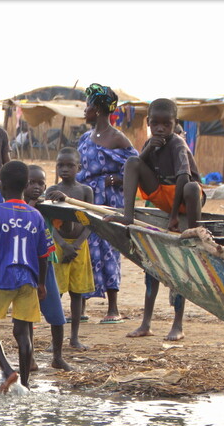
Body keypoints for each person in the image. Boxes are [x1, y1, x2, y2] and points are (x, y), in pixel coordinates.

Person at [105, 98, 205, 341]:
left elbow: (183, 180)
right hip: (162, 194)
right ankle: (146, 324)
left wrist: (173, 218)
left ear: (175, 124)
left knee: (192, 188)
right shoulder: (152, 142)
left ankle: (177, 325)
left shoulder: (178, 144)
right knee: (132, 162)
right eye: (155, 124)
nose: (160, 129)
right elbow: (139, 164)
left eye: (166, 125)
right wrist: (150, 148)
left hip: (184, 200)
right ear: (148, 123)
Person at [0, 160, 55, 393]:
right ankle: (26, 385)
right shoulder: (36, 216)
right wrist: (41, 282)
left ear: (1, 185)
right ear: (24, 185)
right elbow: (44, 255)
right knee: (23, 332)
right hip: (28, 279)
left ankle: (8, 370)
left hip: (2, 277)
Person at [75, 83, 138, 324]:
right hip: (86, 200)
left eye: (89, 105)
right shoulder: (84, 137)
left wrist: (119, 178)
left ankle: (113, 308)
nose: (85, 109)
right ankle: (80, 305)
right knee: (85, 249)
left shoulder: (118, 138)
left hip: (107, 203)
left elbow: (137, 168)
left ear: (99, 110)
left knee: (109, 250)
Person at [45, 148, 96, 351]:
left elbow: (91, 222)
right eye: (60, 165)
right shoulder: (52, 191)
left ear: (79, 168)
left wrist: (75, 245)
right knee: (56, 293)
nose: (64, 169)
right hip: (59, 246)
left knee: (77, 294)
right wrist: (64, 245)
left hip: (79, 246)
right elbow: (48, 224)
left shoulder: (85, 191)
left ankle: (74, 338)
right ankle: (54, 339)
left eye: (70, 165)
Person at [24, 165, 72, 370]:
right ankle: (29, 358)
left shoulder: (48, 207)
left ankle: (58, 357)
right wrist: (33, 204)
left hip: (47, 263)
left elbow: (68, 228)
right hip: (25, 264)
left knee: (56, 315)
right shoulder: (19, 207)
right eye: (31, 182)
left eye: (40, 183)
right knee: (26, 316)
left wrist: (64, 203)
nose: (36, 187)